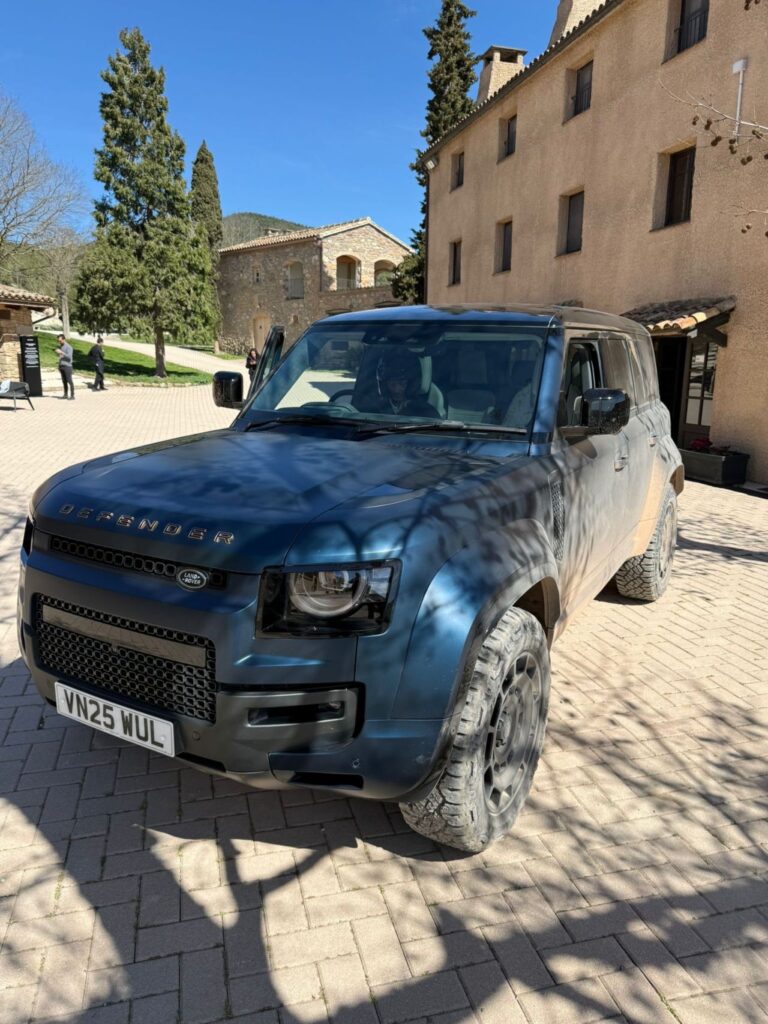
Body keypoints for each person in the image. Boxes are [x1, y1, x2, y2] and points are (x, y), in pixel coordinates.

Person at [368, 349, 441, 418]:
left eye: (402, 383)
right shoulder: (373, 408)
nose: (396, 390)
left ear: (411, 383)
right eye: (392, 384)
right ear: (384, 384)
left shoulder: (425, 411)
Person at [55, 334, 75, 400]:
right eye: (58, 341)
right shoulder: (61, 346)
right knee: (64, 381)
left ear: (64, 339)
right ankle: (65, 394)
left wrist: (61, 352)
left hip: (67, 366)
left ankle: (72, 396)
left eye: (60, 341)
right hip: (62, 366)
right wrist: (59, 365)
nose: (59, 342)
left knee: (69, 381)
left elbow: (69, 357)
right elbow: (61, 357)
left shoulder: (69, 347)